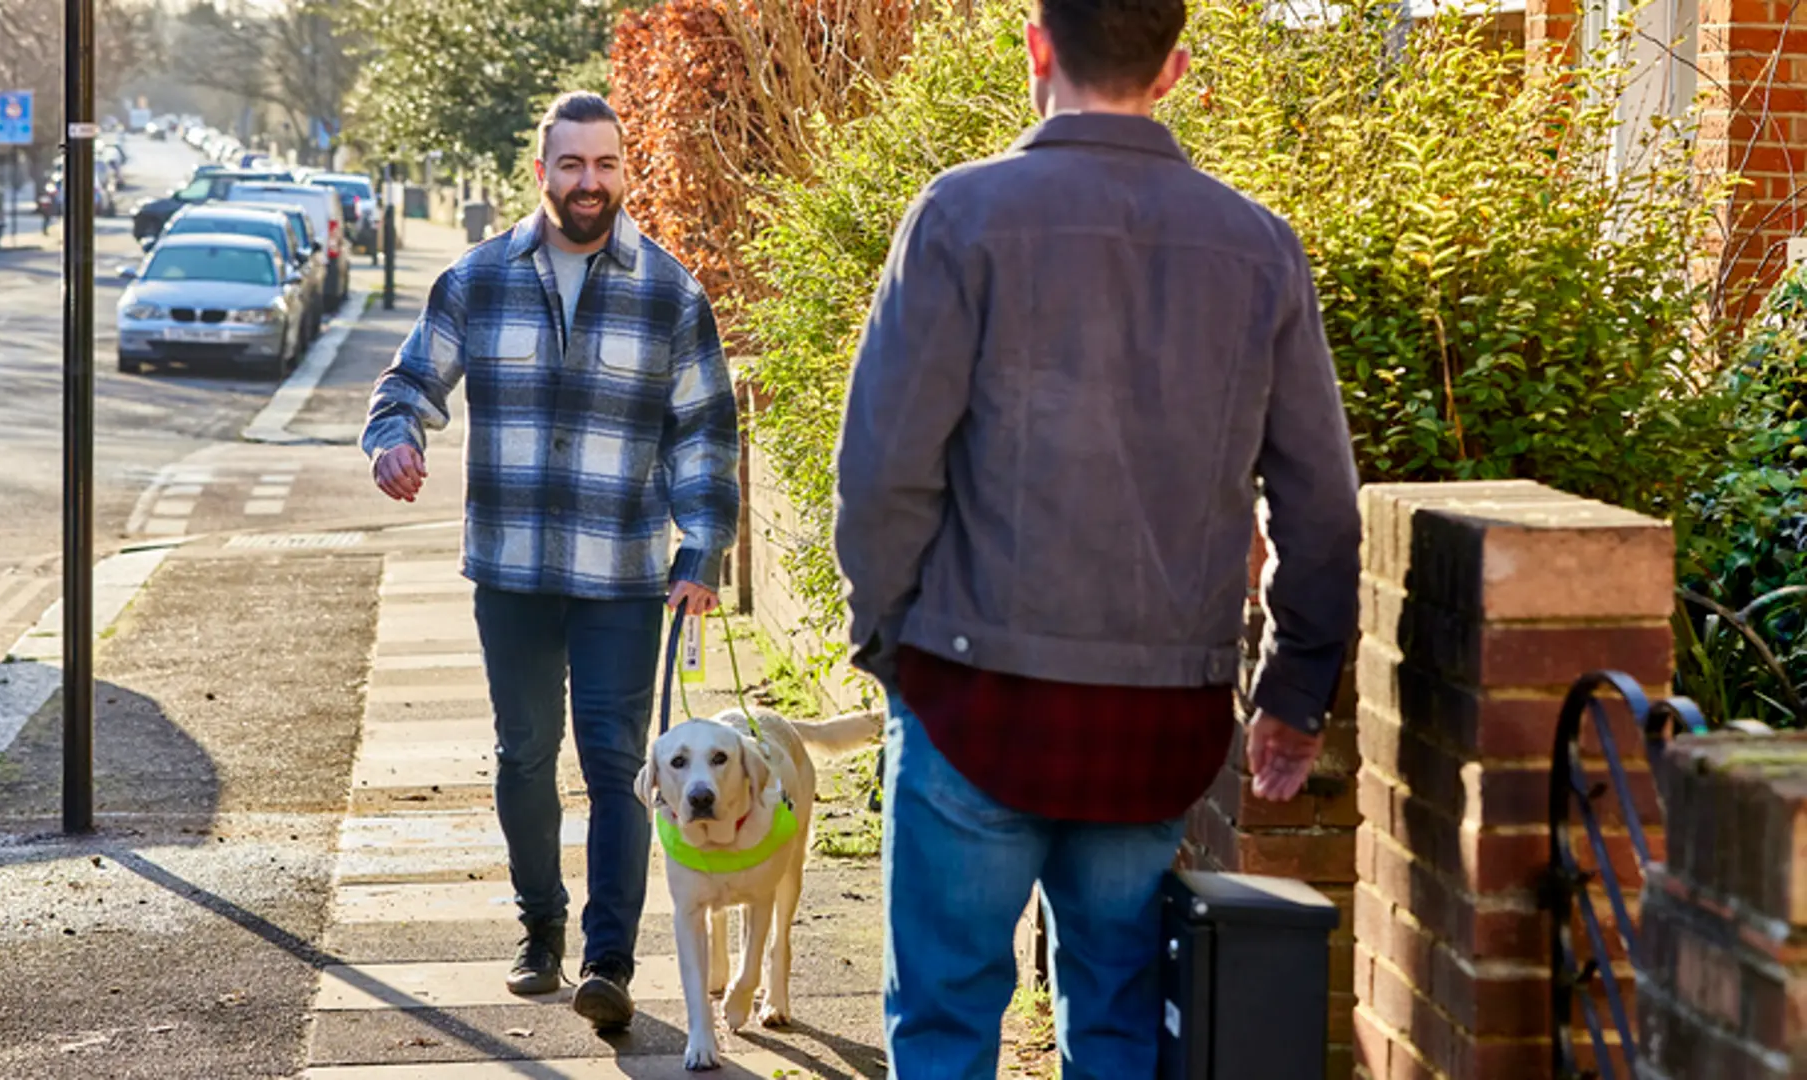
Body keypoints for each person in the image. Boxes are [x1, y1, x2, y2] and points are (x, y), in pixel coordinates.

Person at [831, 0, 1363, 1074]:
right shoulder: (1259, 248)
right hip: (1155, 721)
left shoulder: (960, 218)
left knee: (942, 1024)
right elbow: (1323, 508)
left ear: (1037, 47)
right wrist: (1293, 696)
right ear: (1173, 69)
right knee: (1118, 1020)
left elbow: (884, 471)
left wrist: (887, 645)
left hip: (972, 690)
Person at [362, 91, 740, 1032]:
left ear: (624, 169)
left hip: (621, 573)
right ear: (542, 173)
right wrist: (394, 437)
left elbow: (703, 433)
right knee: (525, 754)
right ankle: (541, 931)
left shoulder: (669, 292)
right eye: (571, 166)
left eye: (605, 164)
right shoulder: (478, 279)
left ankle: (610, 960)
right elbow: (410, 379)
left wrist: (702, 546)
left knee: (615, 763)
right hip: (515, 569)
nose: (589, 183)